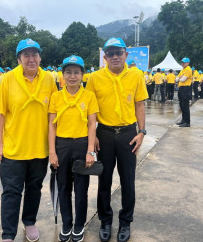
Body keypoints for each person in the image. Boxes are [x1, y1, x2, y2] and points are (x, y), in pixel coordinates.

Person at [0, 39, 57, 242]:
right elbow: (0, 113)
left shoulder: (49, 79)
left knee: (34, 188)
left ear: (40, 57)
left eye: (34, 55)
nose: (31, 59)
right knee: (11, 192)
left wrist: (53, 149)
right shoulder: (8, 79)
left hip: (40, 148)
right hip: (14, 149)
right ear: (19, 58)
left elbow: (53, 116)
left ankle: (29, 222)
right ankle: (8, 235)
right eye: (26, 55)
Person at [86, 37, 148, 242]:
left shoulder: (136, 76)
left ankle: (125, 222)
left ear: (125, 55)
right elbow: (90, 111)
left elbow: (140, 104)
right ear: (105, 57)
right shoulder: (95, 78)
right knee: (104, 181)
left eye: (118, 53)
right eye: (110, 53)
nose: (114, 57)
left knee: (128, 181)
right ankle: (105, 220)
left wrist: (142, 132)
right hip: (104, 135)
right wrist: (93, 135)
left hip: (128, 135)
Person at [49, 55, 98, 242]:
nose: (72, 76)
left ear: (82, 75)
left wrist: (90, 151)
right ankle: (67, 223)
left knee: (81, 188)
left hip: (82, 144)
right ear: (62, 75)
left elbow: (92, 124)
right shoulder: (56, 96)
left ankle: (79, 225)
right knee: (63, 187)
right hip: (61, 145)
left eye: (76, 72)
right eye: (68, 72)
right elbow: (51, 125)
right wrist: (52, 152)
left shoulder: (89, 96)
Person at [176, 58, 192, 127]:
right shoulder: (183, 70)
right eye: (182, 62)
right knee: (182, 105)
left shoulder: (188, 69)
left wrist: (179, 78)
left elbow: (182, 80)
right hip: (181, 88)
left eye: (184, 62)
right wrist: (179, 78)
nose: (182, 64)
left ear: (188, 63)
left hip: (185, 88)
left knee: (185, 106)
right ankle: (183, 120)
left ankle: (187, 122)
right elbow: (176, 79)